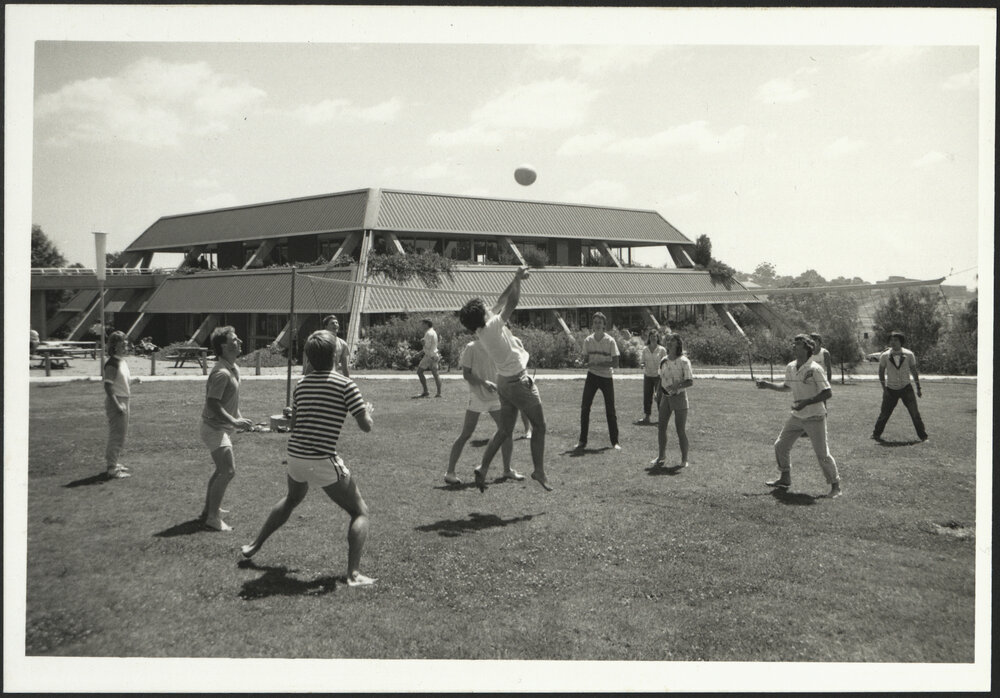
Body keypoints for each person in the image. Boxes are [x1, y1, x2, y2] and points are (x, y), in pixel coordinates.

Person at [242, 330, 376, 587]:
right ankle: (354, 574)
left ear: (309, 358)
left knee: (292, 498)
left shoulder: (302, 385)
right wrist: (367, 412)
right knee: (360, 512)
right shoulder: (347, 385)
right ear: (336, 354)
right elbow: (365, 426)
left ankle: (253, 545)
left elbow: (295, 422)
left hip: (295, 455)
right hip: (322, 458)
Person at [458, 267, 552, 492]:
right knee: (540, 426)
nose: (488, 308)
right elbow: (512, 303)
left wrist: (515, 278)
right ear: (482, 316)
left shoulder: (483, 328)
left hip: (504, 383)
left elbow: (501, 300)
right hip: (518, 382)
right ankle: (538, 470)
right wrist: (519, 282)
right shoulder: (491, 327)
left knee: (504, 431)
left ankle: (483, 467)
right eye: (484, 308)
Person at [756, 334, 842, 499]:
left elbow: (828, 392)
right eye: (793, 344)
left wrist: (807, 402)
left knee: (822, 454)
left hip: (815, 416)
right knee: (780, 445)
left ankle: (835, 486)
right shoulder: (790, 367)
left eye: (798, 345)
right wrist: (768, 385)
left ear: (807, 348)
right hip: (797, 416)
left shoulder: (815, 369)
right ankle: (785, 478)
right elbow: (787, 387)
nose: (793, 347)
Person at [444, 336, 523, 485]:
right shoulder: (471, 347)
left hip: (496, 395)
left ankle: (507, 470)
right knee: (466, 433)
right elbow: (466, 374)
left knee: (506, 431)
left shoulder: (499, 346)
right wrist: (484, 382)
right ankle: (450, 472)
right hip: (478, 396)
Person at [199, 326, 254, 531]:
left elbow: (228, 400)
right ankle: (212, 518)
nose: (239, 341)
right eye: (234, 339)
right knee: (228, 471)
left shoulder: (233, 367)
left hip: (220, 427)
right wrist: (233, 421)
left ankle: (209, 510)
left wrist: (239, 418)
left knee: (221, 470)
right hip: (213, 429)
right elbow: (213, 403)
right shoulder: (221, 373)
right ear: (223, 346)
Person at [573, 312, 621, 452]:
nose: (598, 325)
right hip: (592, 376)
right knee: (585, 408)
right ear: (592, 325)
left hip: (606, 377)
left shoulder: (610, 341)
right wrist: (580, 362)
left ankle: (615, 442)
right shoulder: (588, 340)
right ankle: (582, 441)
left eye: (600, 322)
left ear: (604, 325)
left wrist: (599, 365)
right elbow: (584, 359)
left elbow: (616, 362)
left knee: (610, 410)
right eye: (595, 322)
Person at [871, 331, 928, 443]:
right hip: (891, 389)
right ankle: (876, 434)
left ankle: (923, 437)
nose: (893, 342)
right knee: (884, 414)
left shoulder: (909, 354)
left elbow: (914, 371)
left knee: (915, 414)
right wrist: (884, 389)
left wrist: (918, 388)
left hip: (906, 388)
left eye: (896, 340)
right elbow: (881, 372)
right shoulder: (885, 356)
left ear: (901, 342)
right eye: (891, 340)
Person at [650, 333, 693, 469]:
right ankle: (661, 456)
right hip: (665, 398)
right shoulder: (663, 360)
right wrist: (657, 392)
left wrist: (677, 386)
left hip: (679, 398)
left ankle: (684, 459)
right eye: (668, 340)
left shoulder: (684, 361)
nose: (668, 343)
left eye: (672, 341)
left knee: (680, 430)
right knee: (661, 427)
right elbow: (660, 378)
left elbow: (690, 381)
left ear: (678, 344)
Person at [103, 331, 132, 479]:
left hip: (124, 399)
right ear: (114, 346)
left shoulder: (121, 361)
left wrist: (134, 381)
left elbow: (121, 382)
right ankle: (111, 468)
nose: (125, 345)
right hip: (117, 401)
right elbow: (108, 386)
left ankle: (114, 462)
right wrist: (118, 405)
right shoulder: (112, 363)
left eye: (126, 343)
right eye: (122, 343)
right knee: (116, 435)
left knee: (121, 435)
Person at [639, 328, 668, 424]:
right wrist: (642, 365)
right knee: (647, 397)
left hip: (658, 377)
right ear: (649, 338)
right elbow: (642, 362)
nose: (653, 338)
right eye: (651, 337)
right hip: (648, 376)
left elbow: (665, 363)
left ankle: (662, 418)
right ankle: (647, 417)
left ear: (657, 338)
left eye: (655, 337)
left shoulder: (662, 350)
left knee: (659, 397)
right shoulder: (645, 349)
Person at [415, 318, 442, 398]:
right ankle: (438, 393)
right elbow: (431, 347)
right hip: (433, 355)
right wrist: (420, 353)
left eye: (423, 324)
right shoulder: (433, 332)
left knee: (420, 372)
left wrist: (422, 343)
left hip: (429, 356)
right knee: (435, 374)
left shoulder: (428, 333)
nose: (421, 326)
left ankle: (426, 391)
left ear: (427, 324)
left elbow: (427, 346)